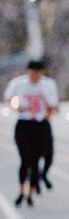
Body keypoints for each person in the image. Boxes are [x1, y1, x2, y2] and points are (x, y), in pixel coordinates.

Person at [3, 58, 59, 206]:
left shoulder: (48, 85)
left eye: (38, 73)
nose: (35, 75)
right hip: (24, 123)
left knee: (36, 160)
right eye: (32, 72)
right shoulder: (18, 83)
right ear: (28, 71)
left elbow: (54, 105)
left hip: (40, 124)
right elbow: (8, 98)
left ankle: (31, 194)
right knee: (25, 157)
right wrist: (16, 106)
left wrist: (48, 112)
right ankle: (21, 191)